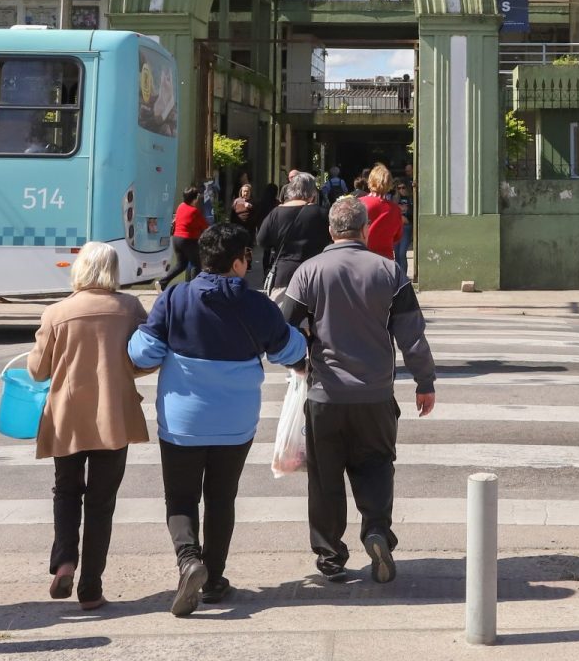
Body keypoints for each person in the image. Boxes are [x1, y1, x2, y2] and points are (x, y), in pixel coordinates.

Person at [129, 224, 307, 616]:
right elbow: (290, 350)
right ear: (239, 260)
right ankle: (213, 579)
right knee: (222, 498)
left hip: (182, 421)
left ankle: (189, 559)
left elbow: (143, 354)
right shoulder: (258, 305)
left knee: (180, 496)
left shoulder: (175, 297)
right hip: (236, 422)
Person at [279, 197, 435, 584]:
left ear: (331, 231)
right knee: (377, 465)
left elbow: (282, 326)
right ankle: (377, 532)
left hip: (325, 396)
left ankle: (331, 557)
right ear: (365, 230)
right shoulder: (389, 271)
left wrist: (298, 362)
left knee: (325, 478)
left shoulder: (309, 272)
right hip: (376, 395)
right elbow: (412, 335)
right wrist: (424, 382)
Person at [27, 242, 151, 611]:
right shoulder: (129, 308)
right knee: (101, 502)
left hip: (66, 416)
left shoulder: (57, 312)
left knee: (66, 490)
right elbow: (146, 359)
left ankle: (65, 559)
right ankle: (91, 587)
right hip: (113, 415)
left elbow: (38, 370)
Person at [255, 172, 331, 296]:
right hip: (315, 273)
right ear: (312, 193)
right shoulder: (322, 214)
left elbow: (262, 241)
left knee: (284, 314)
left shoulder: (276, 213)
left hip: (284, 273)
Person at [359, 164, 403, 270]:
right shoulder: (395, 209)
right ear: (389, 184)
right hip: (386, 262)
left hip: (362, 259)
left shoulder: (359, 204)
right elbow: (397, 237)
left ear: (370, 181)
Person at [165, 189, 208, 287]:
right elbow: (205, 226)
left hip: (176, 239)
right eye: (197, 197)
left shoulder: (181, 206)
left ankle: (162, 282)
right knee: (197, 264)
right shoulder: (194, 211)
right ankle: (193, 287)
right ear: (194, 198)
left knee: (181, 265)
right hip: (188, 240)